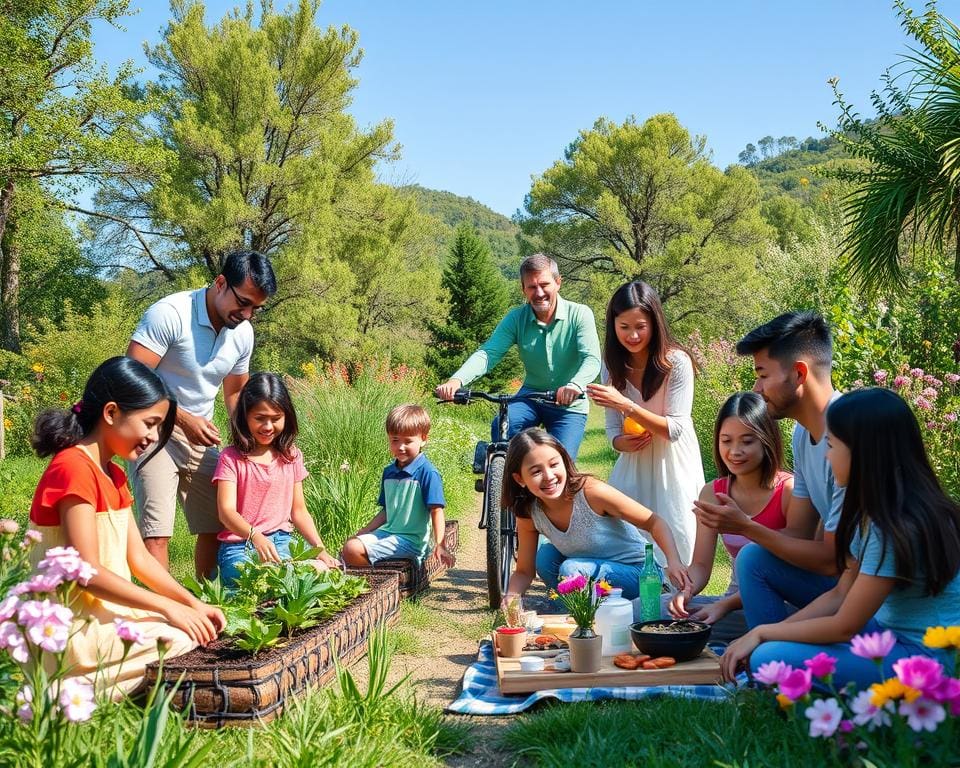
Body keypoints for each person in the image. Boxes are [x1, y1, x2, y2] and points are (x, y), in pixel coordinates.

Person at [721, 388, 960, 688]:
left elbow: (845, 626)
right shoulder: (873, 508)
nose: (825, 454)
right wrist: (767, 631)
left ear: (863, 453)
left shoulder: (895, 524)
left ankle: (770, 680)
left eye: (832, 445)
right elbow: (839, 594)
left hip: (926, 660)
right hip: (888, 634)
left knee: (767, 658)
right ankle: (769, 672)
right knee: (766, 639)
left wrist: (762, 634)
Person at [27, 357, 225, 696]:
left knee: (190, 627)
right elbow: (84, 571)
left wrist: (190, 603)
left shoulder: (112, 473)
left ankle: (86, 689)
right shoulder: (73, 468)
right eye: (149, 423)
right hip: (71, 626)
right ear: (111, 413)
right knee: (179, 637)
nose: (152, 436)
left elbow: (141, 560)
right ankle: (65, 692)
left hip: (100, 613)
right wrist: (166, 607)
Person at [127, 249, 277, 577]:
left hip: (201, 434)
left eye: (256, 308)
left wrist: (245, 436)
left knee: (215, 525)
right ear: (221, 283)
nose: (248, 314)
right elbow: (133, 377)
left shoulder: (243, 332)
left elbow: (235, 391)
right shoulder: (169, 314)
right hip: (153, 430)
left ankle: (205, 602)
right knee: (158, 533)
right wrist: (183, 418)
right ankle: (163, 617)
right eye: (243, 302)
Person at [694, 311, 840, 628]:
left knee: (752, 558)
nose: (757, 389)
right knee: (753, 558)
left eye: (762, 375)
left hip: (866, 595)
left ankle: (768, 658)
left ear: (799, 374)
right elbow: (797, 535)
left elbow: (830, 559)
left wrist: (745, 526)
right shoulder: (803, 434)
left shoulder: (848, 434)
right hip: (838, 587)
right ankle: (763, 656)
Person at [434, 253, 601, 460]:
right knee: (503, 428)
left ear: (558, 283)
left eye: (544, 284)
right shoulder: (516, 318)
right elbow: (488, 353)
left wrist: (575, 385)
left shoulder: (580, 314)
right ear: (523, 289)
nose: (539, 292)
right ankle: (504, 482)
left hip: (568, 403)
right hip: (530, 397)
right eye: (531, 287)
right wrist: (456, 380)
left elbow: (592, 359)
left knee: (562, 464)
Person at [585, 281, 704, 566]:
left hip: (673, 461)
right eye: (624, 326)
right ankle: (636, 595)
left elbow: (675, 429)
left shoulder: (676, 362)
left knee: (678, 529)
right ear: (613, 325)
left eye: (640, 326)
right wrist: (621, 443)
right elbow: (613, 432)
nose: (633, 335)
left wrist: (626, 405)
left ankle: (679, 596)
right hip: (635, 460)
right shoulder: (611, 365)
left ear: (655, 322)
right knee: (626, 532)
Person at [502, 428, 692, 601]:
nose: (549, 476)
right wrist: (510, 598)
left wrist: (674, 561)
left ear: (564, 460)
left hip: (639, 574)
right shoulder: (529, 511)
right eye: (536, 471)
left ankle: (593, 612)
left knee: (571, 570)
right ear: (520, 479)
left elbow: (654, 522)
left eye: (553, 465)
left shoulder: (591, 493)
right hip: (587, 571)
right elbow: (524, 571)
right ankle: (579, 613)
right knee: (545, 557)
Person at [667, 392, 794, 643]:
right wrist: (686, 591)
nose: (735, 451)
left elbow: (794, 568)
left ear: (766, 441)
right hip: (733, 603)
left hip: (783, 603)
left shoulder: (789, 491)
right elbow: (701, 565)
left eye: (747, 441)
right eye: (726, 441)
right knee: (648, 610)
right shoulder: (713, 493)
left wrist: (725, 605)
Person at [213, 373, 341, 586]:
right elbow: (226, 512)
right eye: (260, 418)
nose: (268, 427)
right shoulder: (230, 458)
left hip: (282, 542)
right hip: (240, 547)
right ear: (245, 416)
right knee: (255, 578)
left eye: (275, 418)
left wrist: (321, 551)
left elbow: (299, 511)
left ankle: (289, 573)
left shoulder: (291, 456)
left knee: (320, 570)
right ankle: (284, 576)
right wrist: (256, 536)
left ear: (286, 417)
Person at [341, 405, 455, 569]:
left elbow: (436, 510)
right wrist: (365, 530)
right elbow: (387, 512)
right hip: (388, 534)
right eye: (395, 440)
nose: (401, 447)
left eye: (408, 441)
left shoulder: (427, 472)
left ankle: (377, 575)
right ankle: (377, 571)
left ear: (423, 438)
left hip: (412, 541)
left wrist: (440, 544)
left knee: (352, 549)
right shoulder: (389, 472)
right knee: (350, 545)